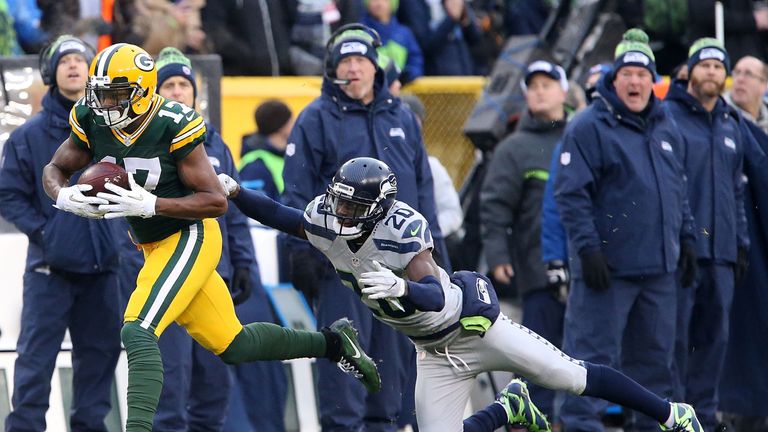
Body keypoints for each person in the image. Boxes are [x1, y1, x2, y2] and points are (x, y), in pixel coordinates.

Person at [219, 156, 706, 432]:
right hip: (431, 352)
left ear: (379, 207)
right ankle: (508, 409)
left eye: (353, 204)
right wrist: (237, 194)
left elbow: (435, 292)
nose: (340, 211)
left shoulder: (404, 231)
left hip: (471, 330)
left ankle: (671, 413)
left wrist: (402, 287)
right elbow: (286, 218)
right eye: (340, 200)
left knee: (570, 377)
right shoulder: (330, 222)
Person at [40, 42, 381, 432]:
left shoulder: (173, 123)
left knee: (137, 328)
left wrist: (153, 206)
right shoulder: (91, 117)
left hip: (189, 235)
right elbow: (55, 166)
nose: (103, 104)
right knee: (235, 345)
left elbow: (216, 201)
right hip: (152, 247)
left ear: (141, 93)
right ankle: (334, 343)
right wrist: (63, 195)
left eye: (115, 94)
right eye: (99, 93)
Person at [281, 24, 447, 431]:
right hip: (343, 267)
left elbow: (424, 194)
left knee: (392, 385)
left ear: (377, 68)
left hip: (399, 269)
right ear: (333, 69)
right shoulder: (315, 118)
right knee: (345, 371)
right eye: (345, 61)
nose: (354, 69)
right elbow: (296, 191)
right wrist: (302, 256)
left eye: (361, 60)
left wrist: (438, 257)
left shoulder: (403, 117)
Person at [554, 29, 699, 431]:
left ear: (653, 80)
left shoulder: (667, 126)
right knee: (588, 366)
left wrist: (686, 237)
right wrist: (587, 249)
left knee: (654, 372)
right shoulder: (588, 127)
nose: (635, 82)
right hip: (607, 273)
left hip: (658, 273)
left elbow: (678, 189)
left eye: (642, 74)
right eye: (627, 73)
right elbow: (571, 194)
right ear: (613, 78)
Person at [149, 46, 287, 431]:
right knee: (170, 388)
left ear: (195, 92)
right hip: (168, 282)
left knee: (214, 389)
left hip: (213, 280)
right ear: (156, 92)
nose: (178, 91)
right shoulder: (142, 146)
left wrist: (243, 264)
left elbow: (236, 211)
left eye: (183, 84)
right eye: (169, 85)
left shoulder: (216, 144)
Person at [0, 35, 122, 432]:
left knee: (100, 361)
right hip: (48, 271)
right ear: (50, 72)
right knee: (35, 363)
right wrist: (46, 232)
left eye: (81, 59)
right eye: (65, 60)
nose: (73, 65)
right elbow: (8, 193)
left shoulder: (117, 131)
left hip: (105, 270)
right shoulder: (27, 135)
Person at [663, 38, 750, 431]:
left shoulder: (733, 122)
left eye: (718, 65)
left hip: (724, 251)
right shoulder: (669, 116)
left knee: (716, 338)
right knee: (677, 338)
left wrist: (741, 242)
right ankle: (674, 411)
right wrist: (681, 238)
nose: (712, 71)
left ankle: (704, 414)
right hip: (685, 250)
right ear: (690, 70)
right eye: (705, 64)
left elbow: (737, 188)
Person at [480, 60, 569, 423]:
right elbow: (494, 205)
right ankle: (531, 422)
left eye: (548, 84)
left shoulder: (582, 134)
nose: (539, 91)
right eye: (533, 86)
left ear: (564, 91)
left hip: (591, 272)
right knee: (538, 360)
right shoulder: (514, 148)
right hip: (537, 270)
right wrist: (498, 253)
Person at [239, 99, 294, 199]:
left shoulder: (284, 156)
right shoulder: (255, 165)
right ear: (282, 126)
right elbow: (253, 207)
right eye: (291, 120)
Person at [361, 0, 423, 83]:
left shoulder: (404, 33)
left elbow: (415, 59)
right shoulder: (360, 33)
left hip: (403, 89)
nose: (379, 4)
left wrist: (409, 74)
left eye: (385, 0)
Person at [725, 55, 768, 133]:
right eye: (737, 72)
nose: (740, 79)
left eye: (748, 74)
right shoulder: (719, 115)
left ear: (764, 85)